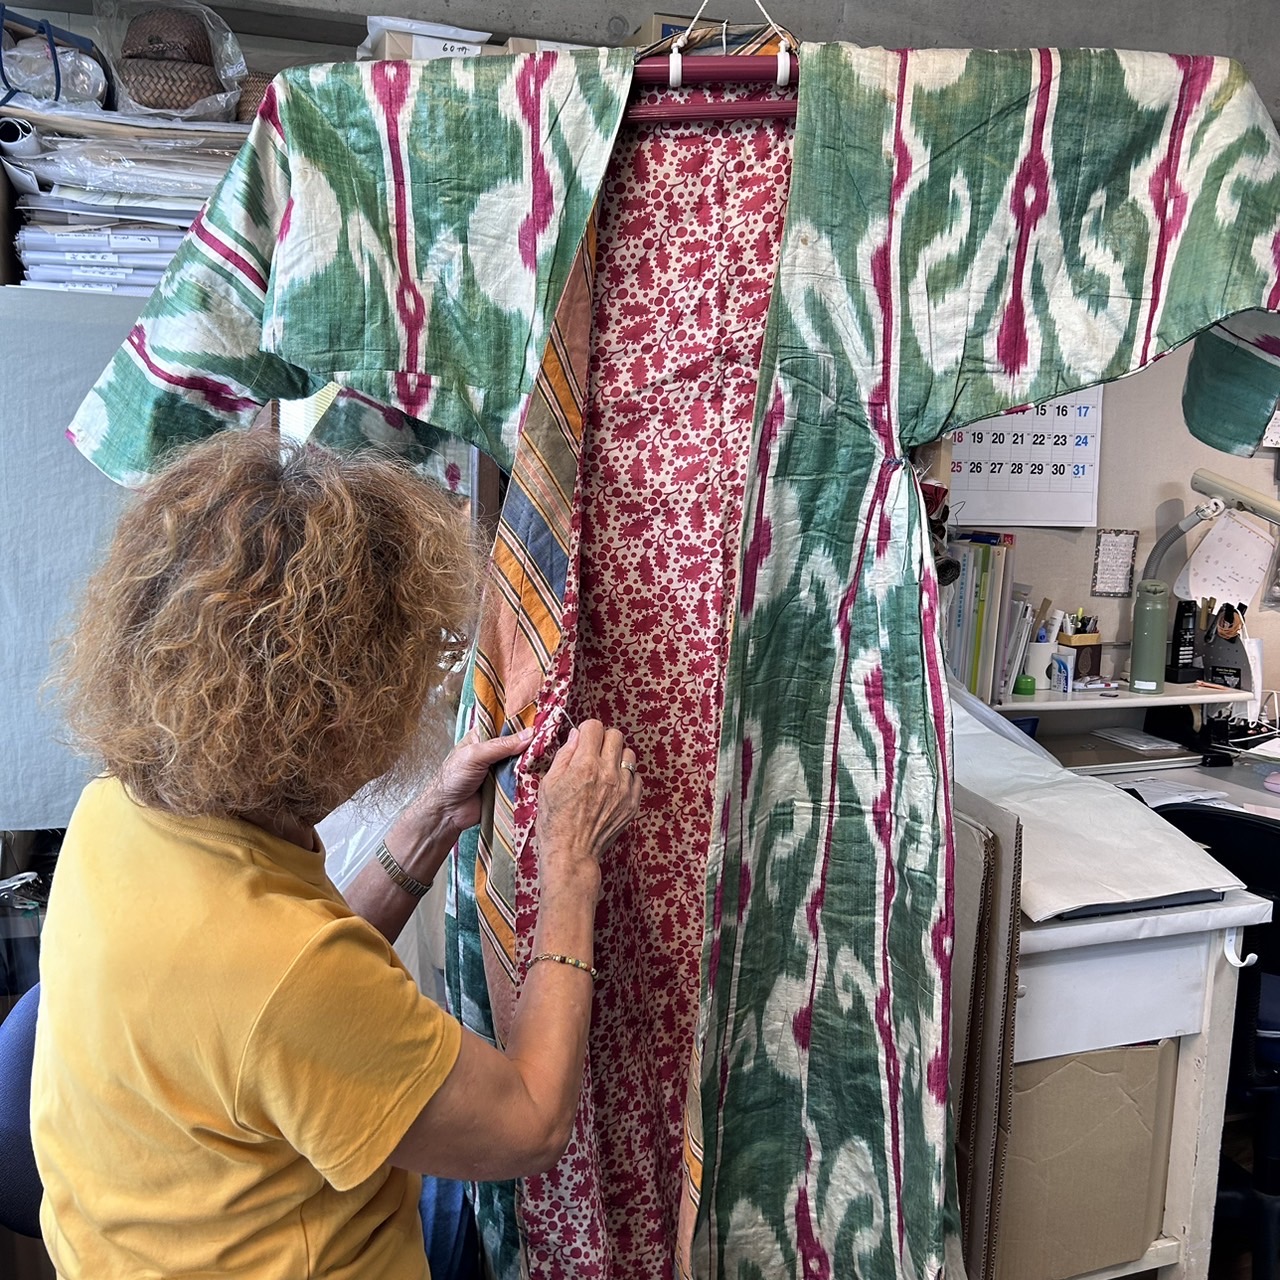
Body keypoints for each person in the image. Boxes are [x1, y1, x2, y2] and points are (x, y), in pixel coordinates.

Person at [32, 430, 641, 1279]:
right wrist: (570, 863)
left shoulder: (115, 809)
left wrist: (429, 823)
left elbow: (271, 1006)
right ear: (336, 711)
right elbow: (532, 1124)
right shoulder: (280, 976)